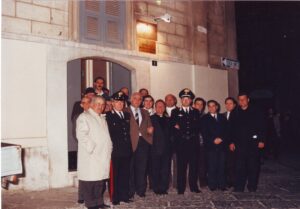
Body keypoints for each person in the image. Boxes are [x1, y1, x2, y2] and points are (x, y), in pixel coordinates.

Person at [76, 96, 112, 209]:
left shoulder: (102, 117)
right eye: (98, 104)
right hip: (91, 155)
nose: (100, 106)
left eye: (102, 104)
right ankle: (91, 204)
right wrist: (91, 148)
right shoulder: (84, 117)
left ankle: (99, 202)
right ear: (91, 104)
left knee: (100, 181)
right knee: (90, 181)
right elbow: (81, 135)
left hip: (102, 154)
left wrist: (109, 146)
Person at [230, 92, 265, 192]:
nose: (242, 101)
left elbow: (262, 126)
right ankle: (239, 187)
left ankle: (252, 187)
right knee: (239, 167)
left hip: (253, 143)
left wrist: (262, 140)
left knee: (253, 166)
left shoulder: (257, 111)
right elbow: (231, 129)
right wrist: (231, 142)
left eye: (244, 99)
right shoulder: (235, 112)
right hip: (239, 144)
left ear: (248, 99)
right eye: (240, 99)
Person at [171, 88, 200, 194]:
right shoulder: (175, 112)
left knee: (193, 166)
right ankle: (181, 188)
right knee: (181, 167)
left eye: (188, 99)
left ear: (191, 100)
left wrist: (180, 126)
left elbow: (197, 127)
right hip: (181, 143)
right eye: (183, 98)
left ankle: (193, 187)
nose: (186, 100)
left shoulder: (196, 112)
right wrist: (177, 127)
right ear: (181, 100)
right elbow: (173, 127)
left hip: (193, 143)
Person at [125, 92, 154, 198]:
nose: (137, 101)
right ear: (131, 100)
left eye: (140, 99)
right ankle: (130, 191)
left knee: (142, 167)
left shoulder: (144, 112)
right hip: (131, 142)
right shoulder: (125, 111)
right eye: (135, 98)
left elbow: (150, 126)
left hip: (143, 142)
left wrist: (149, 136)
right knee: (130, 168)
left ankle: (141, 190)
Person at [106, 91, 132, 205]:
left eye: (122, 102)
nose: (120, 104)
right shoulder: (109, 116)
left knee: (125, 174)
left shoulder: (127, 115)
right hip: (115, 151)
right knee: (115, 175)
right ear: (112, 103)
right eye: (117, 102)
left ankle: (124, 195)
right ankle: (115, 197)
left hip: (126, 150)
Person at [202, 100, 228, 191]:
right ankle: (212, 185)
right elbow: (204, 133)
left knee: (222, 166)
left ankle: (222, 185)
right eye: (209, 106)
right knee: (212, 166)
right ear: (208, 108)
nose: (211, 108)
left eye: (213, 106)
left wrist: (221, 138)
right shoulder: (204, 118)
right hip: (210, 146)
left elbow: (227, 130)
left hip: (222, 145)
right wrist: (213, 140)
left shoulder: (222, 117)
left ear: (217, 107)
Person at [150, 100, 172, 195]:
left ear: (165, 108)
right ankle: (156, 187)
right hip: (155, 149)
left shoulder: (168, 119)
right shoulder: (150, 118)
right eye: (158, 106)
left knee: (165, 169)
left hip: (166, 149)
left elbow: (171, 135)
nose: (160, 108)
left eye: (162, 106)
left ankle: (163, 187)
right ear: (155, 108)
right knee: (155, 169)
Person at [164, 93, 178, 188]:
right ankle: (166, 183)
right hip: (165, 143)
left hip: (176, 142)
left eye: (171, 99)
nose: (169, 101)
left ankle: (176, 183)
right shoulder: (161, 111)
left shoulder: (179, 111)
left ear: (175, 101)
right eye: (167, 99)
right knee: (166, 164)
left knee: (177, 164)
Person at [193, 97, 207, 188]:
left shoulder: (205, 116)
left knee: (202, 163)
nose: (199, 106)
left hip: (203, 143)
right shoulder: (190, 114)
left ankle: (202, 181)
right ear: (194, 105)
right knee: (193, 163)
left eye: (201, 104)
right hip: (192, 143)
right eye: (197, 104)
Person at [223, 97, 237, 188]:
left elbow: (237, 131)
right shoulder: (222, 115)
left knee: (233, 163)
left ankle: (234, 181)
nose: (228, 105)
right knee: (226, 163)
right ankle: (227, 181)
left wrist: (233, 142)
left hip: (234, 143)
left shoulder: (238, 115)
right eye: (227, 103)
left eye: (230, 103)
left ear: (234, 105)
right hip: (223, 143)